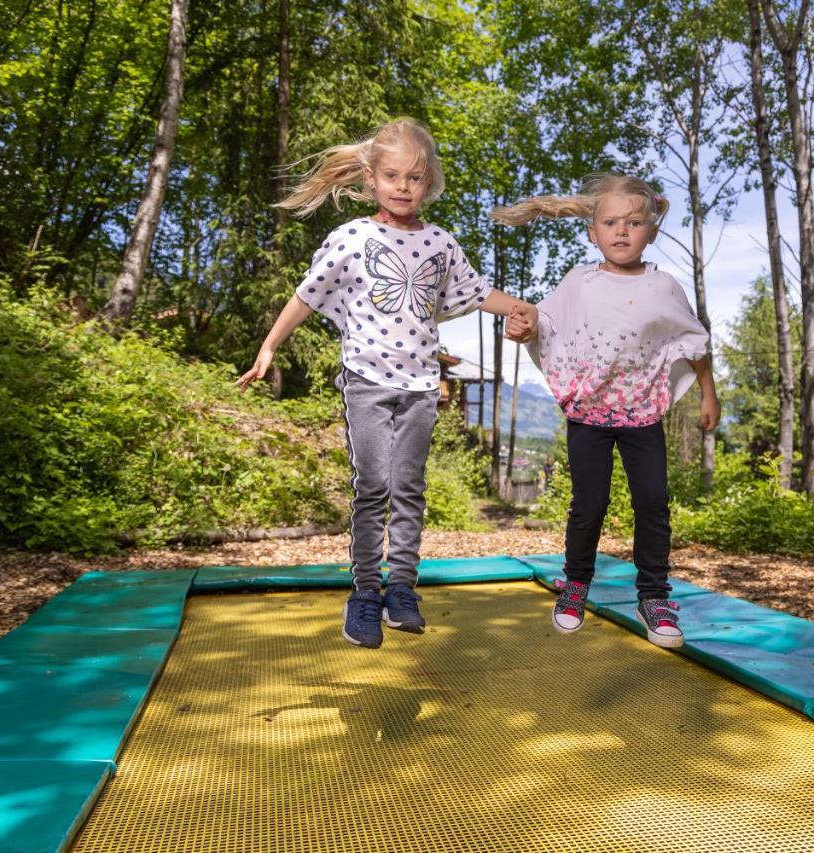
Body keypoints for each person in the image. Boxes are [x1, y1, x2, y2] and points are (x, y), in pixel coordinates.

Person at [238, 118, 536, 649]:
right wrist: (269, 345)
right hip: (366, 382)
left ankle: (402, 589)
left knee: (409, 488)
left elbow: (477, 292)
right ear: (371, 178)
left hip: (421, 385)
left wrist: (521, 308)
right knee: (373, 485)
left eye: (415, 177)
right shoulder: (354, 237)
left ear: (430, 183)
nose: (403, 186)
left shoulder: (441, 244)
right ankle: (365, 594)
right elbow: (309, 293)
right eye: (392, 175)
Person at [493, 174, 720, 648]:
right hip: (590, 415)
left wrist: (707, 392)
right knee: (589, 505)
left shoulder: (663, 286)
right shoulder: (580, 281)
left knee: (653, 503)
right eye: (611, 222)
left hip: (642, 415)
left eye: (634, 222)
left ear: (651, 231)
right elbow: (546, 323)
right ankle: (575, 585)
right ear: (592, 232)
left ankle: (654, 596)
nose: (621, 231)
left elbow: (692, 340)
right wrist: (523, 326)